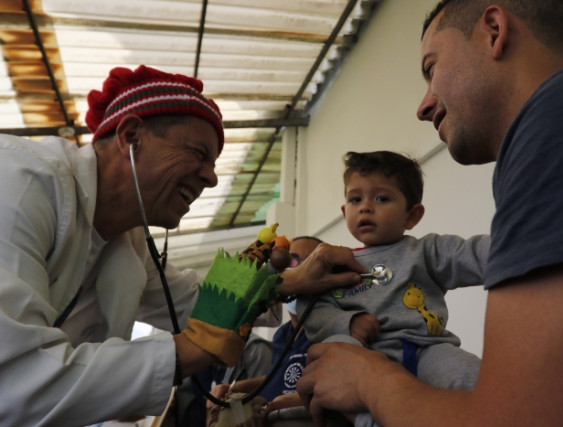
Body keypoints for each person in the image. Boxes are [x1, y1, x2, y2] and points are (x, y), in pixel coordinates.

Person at [296, 1, 563, 425]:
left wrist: (369, 379)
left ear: (494, 31)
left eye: (431, 67)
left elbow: (521, 419)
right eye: (355, 199)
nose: (422, 106)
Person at [0, 65, 365, 426]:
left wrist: (291, 281)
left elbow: (199, 302)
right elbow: (16, 380)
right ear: (131, 136)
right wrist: (190, 349)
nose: (211, 176)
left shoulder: (129, 243)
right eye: (199, 152)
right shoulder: (23, 182)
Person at [299, 151, 488, 426]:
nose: (365, 207)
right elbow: (312, 309)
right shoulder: (334, 265)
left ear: (411, 215)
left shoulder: (425, 251)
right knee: (334, 348)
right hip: (364, 357)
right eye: (355, 199)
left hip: (427, 350)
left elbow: (471, 253)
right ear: (344, 212)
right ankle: (366, 420)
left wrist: (520, 243)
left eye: (381, 198)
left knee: (475, 378)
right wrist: (346, 322)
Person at [207, 236, 324, 424]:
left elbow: (334, 391)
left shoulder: (327, 332)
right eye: (291, 262)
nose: (296, 271)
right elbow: (275, 377)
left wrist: (280, 403)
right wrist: (235, 387)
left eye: (308, 263)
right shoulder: (283, 334)